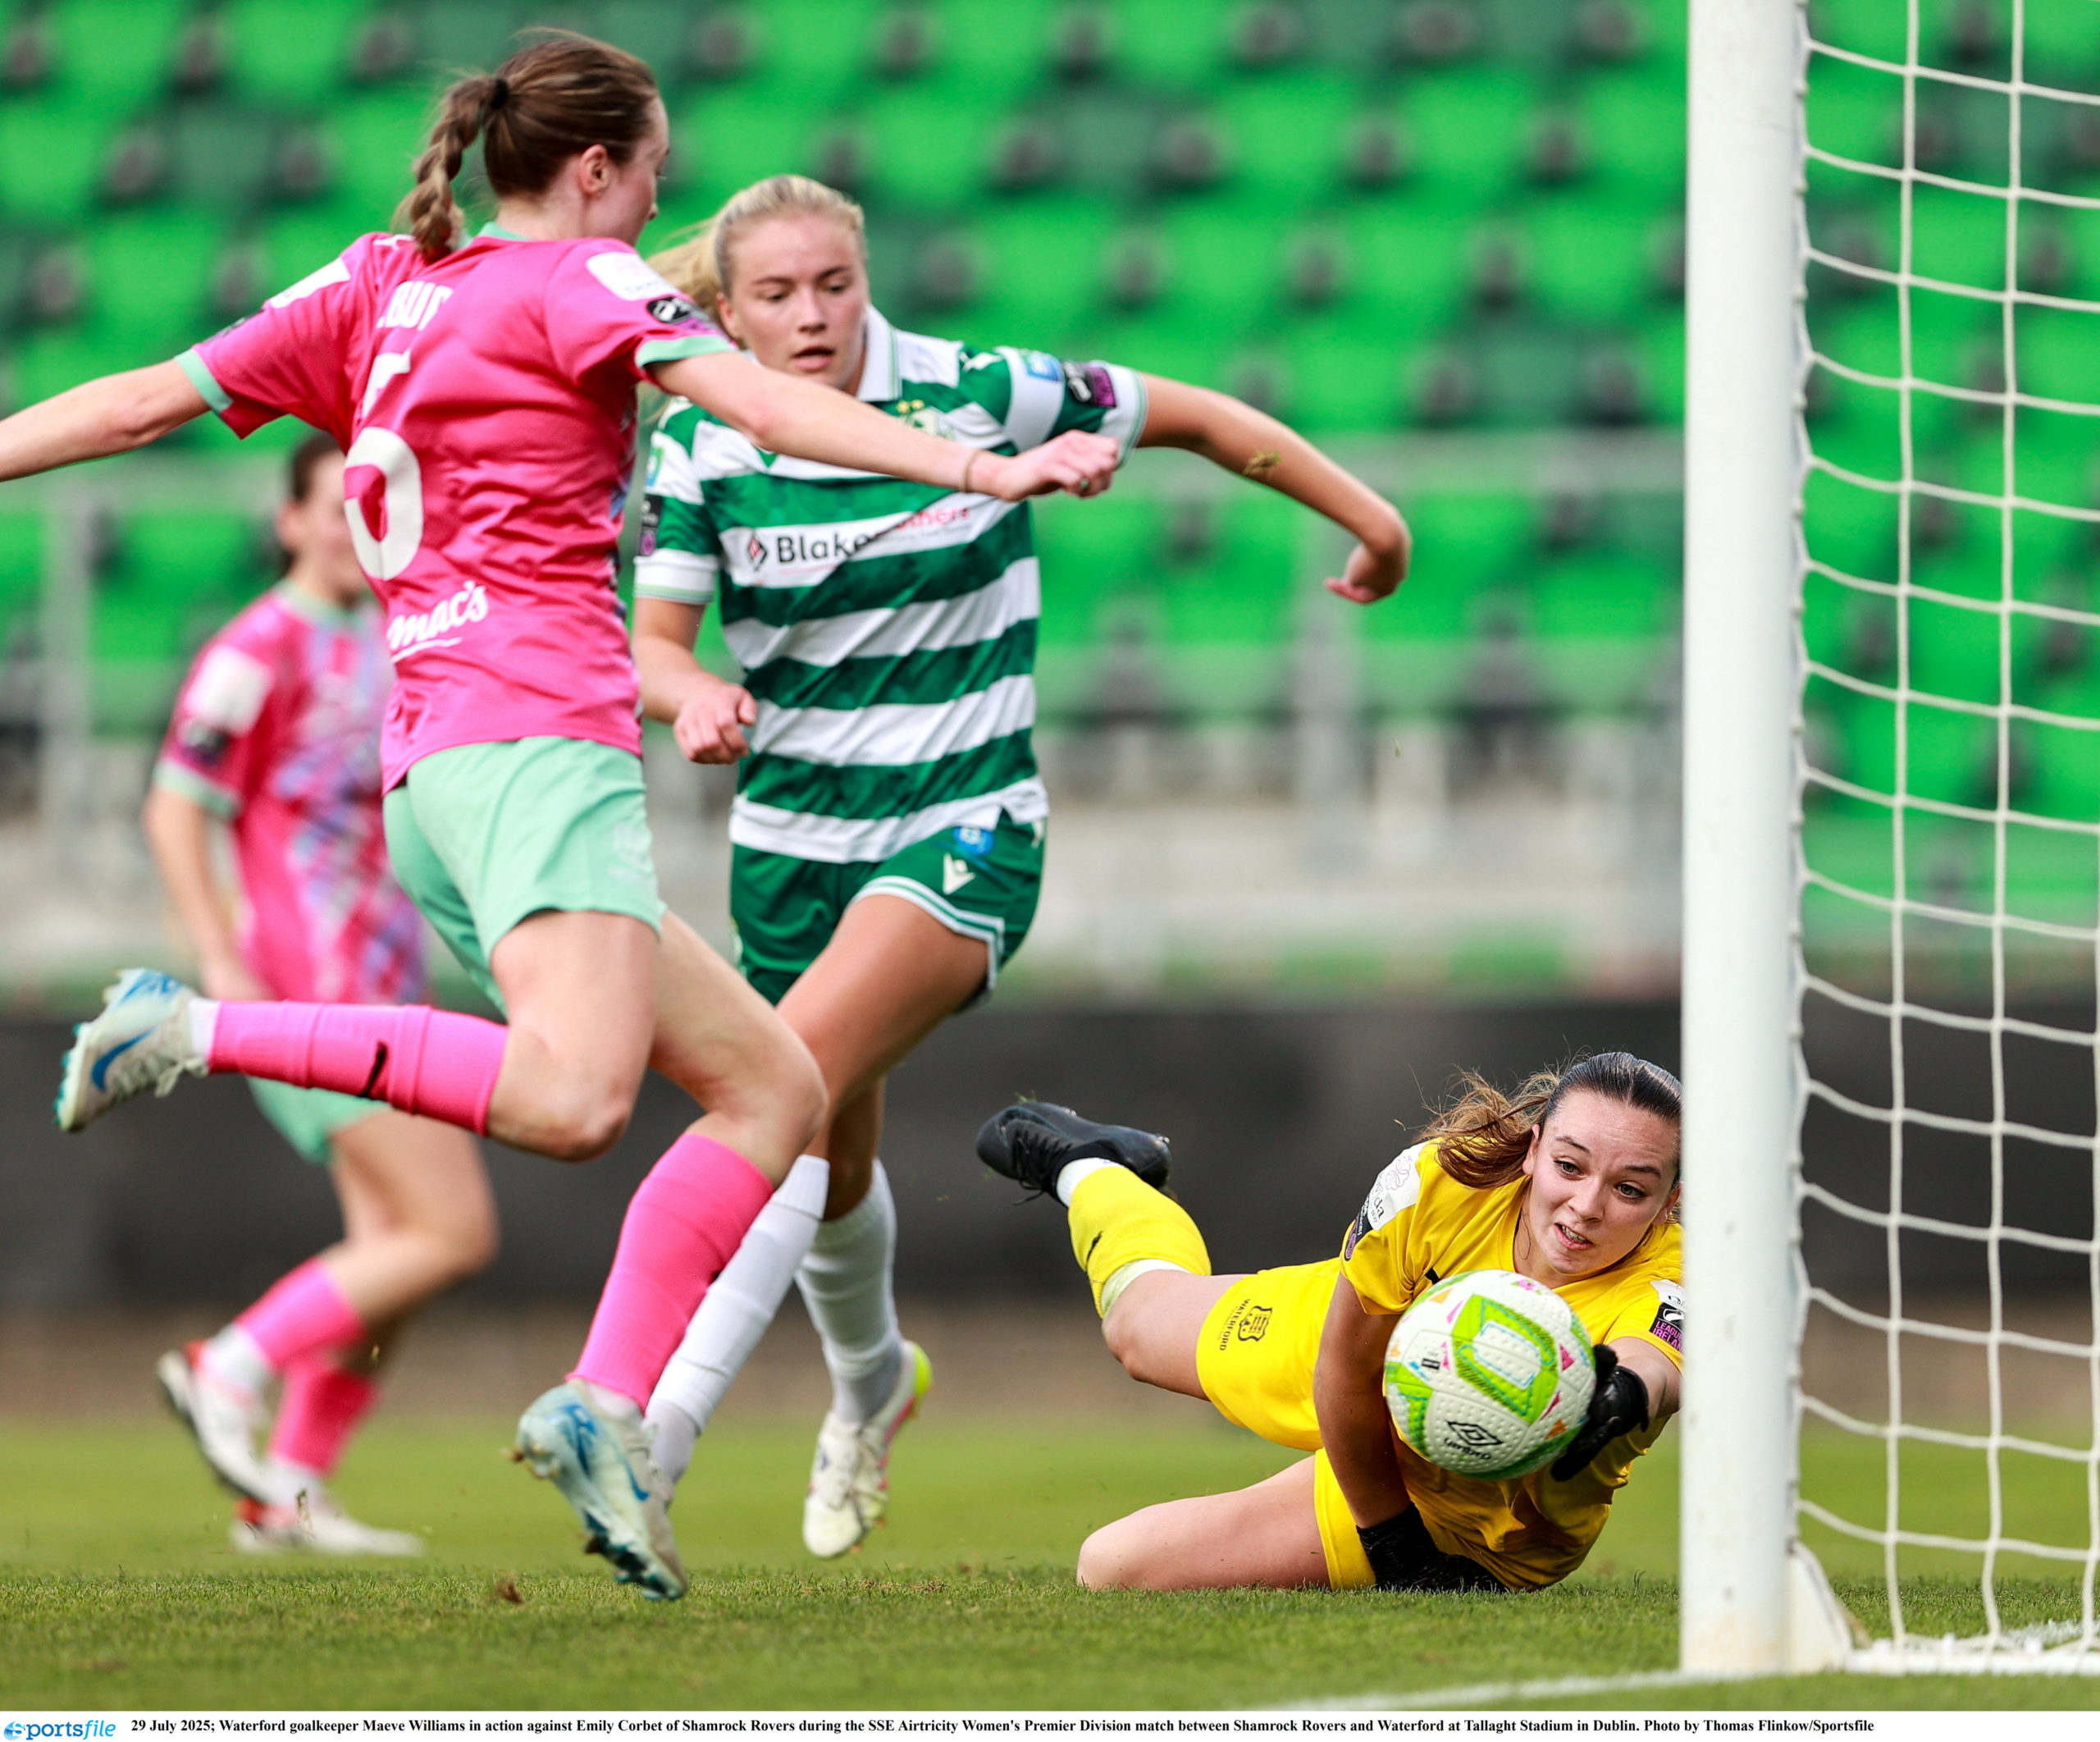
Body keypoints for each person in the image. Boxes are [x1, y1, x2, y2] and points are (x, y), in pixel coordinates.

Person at [4, 32, 1116, 1600]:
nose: (661, 201)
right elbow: (767, 408)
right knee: (574, 1103)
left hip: (434, 772)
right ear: (595, 168)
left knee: (773, 1084)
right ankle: (194, 1025)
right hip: (535, 741)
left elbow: (135, 403)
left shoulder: (378, 284)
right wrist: (970, 465)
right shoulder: (581, 285)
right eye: (654, 169)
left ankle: (603, 1403)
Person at [625, 173, 1413, 1559]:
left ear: (866, 278)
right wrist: (685, 690)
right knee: (820, 1129)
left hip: (968, 818)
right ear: (726, 308)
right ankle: (874, 1379)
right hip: (791, 841)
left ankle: (651, 1433)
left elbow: (1204, 419)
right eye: (776, 296)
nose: (811, 317)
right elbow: (654, 639)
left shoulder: (982, 391)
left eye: (833, 286)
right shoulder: (704, 441)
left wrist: (1372, 519)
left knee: (787, 1077)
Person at [144, 432, 496, 1557]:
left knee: (389, 1252)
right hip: (314, 984)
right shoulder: (259, 643)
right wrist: (219, 951)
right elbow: (174, 802)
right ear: (289, 519)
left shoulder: (398, 638)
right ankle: (225, 1364)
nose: (358, 520)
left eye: (375, 501)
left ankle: (285, 1496)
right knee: (452, 1226)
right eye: (335, 503)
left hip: (386, 979)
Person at [971, 1054, 1683, 1592]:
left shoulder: (1686, 1274)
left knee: (1110, 1565)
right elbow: (1345, 1366)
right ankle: (1095, 1169)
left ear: (1670, 1199)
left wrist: (1619, 1391)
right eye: (1568, 1164)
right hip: (1367, 1350)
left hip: (1468, 1526)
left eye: (1628, 1189)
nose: (1587, 1205)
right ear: (1533, 1150)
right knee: (1135, 1327)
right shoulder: (1435, 1184)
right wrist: (1389, 1539)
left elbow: (1655, 1363)